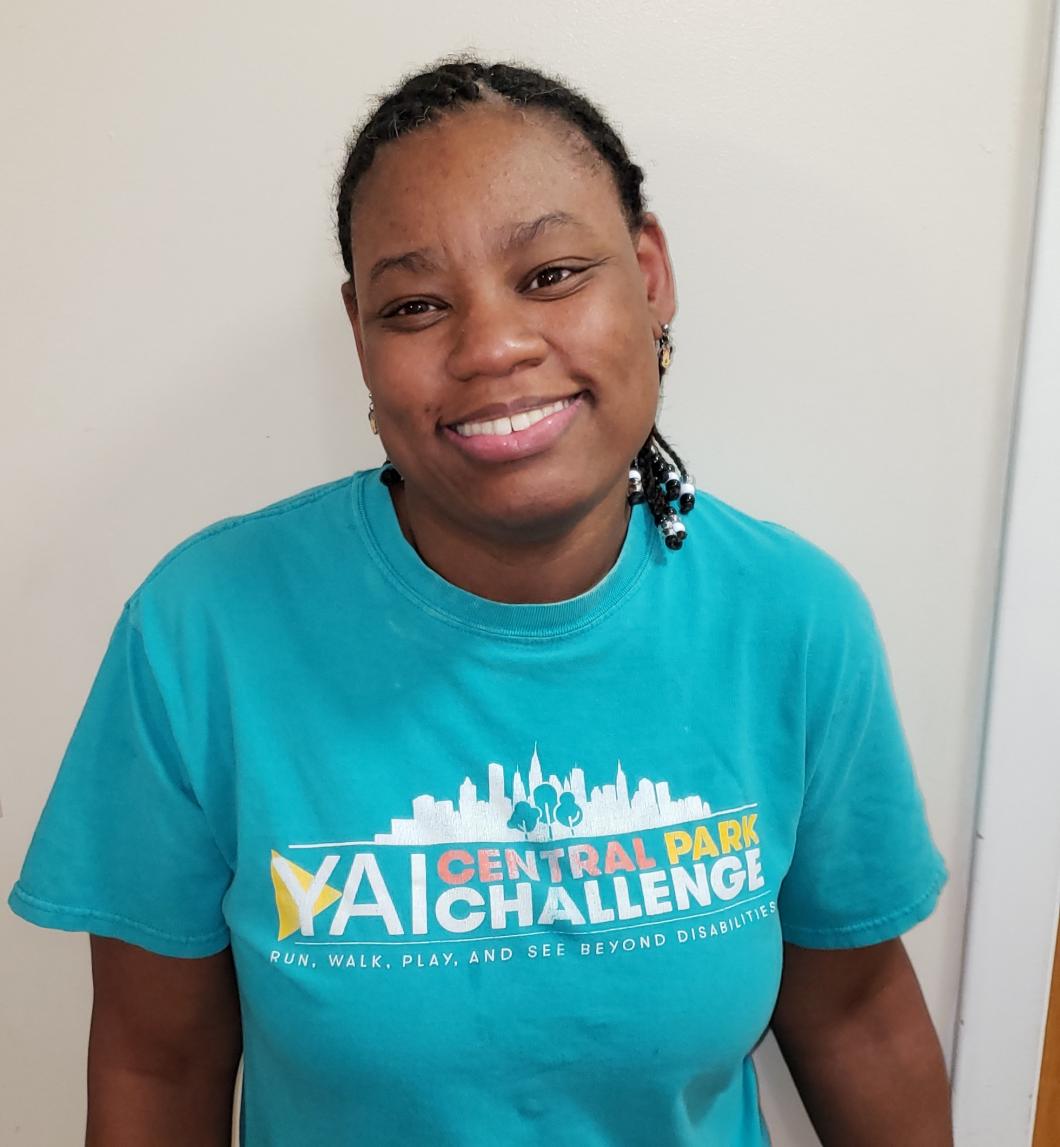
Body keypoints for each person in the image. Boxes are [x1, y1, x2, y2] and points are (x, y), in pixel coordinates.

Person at [9, 58, 953, 1146]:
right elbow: (155, 1061)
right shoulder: (201, 633)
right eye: (415, 303)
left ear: (648, 275)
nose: (492, 346)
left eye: (550, 273)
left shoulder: (790, 621)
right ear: (359, 332)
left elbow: (857, 1020)